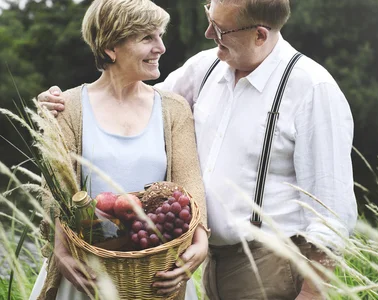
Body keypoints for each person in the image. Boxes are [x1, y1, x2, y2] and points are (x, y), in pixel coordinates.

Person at [38, 0, 357, 299]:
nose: (207, 35)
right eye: (209, 19)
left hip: (270, 266)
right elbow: (132, 102)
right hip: (202, 265)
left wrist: (313, 293)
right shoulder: (207, 67)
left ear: (259, 34)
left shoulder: (313, 88)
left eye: (219, 29)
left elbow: (333, 211)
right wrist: (56, 107)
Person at [29, 0, 210, 299]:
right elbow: (56, 192)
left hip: (156, 276)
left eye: (160, 36)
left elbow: (191, 183)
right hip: (87, 276)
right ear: (111, 47)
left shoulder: (174, 109)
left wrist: (200, 240)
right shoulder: (67, 108)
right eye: (147, 38)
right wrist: (60, 253)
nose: (161, 47)